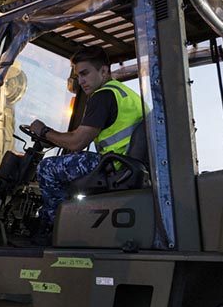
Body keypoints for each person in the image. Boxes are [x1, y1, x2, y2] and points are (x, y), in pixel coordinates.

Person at [29, 45, 143, 241]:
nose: (81, 81)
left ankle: (53, 228)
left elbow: (76, 142)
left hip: (114, 166)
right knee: (68, 163)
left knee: (47, 167)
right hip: (127, 166)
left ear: (104, 71)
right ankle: (72, 217)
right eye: (78, 76)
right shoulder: (125, 94)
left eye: (85, 73)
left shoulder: (103, 96)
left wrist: (44, 131)